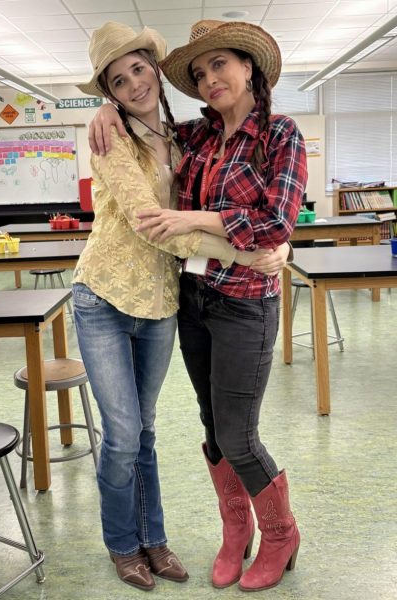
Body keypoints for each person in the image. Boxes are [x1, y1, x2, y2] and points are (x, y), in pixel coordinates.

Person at [88, 19, 308, 593]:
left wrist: (213, 226)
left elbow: (277, 222)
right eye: (201, 70)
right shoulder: (199, 137)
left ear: (249, 68)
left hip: (245, 305)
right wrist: (106, 112)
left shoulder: (280, 134)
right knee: (211, 431)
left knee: (238, 436)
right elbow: (148, 153)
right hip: (191, 299)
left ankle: (281, 535)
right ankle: (234, 533)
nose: (211, 79)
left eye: (221, 65)